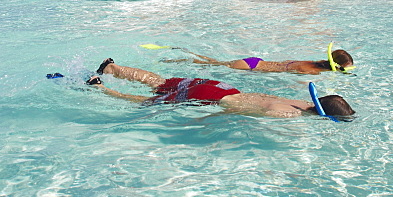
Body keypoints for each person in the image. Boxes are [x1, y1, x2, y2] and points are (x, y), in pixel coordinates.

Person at [87, 58, 355, 120]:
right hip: (215, 100)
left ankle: (114, 68)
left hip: (224, 87)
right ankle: (102, 88)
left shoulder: (298, 100)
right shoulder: (291, 115)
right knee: (148, 102)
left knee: (159, 83)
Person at [166, 43, 354, 75]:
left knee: (213, 61)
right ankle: (179, 59)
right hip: (251, 67)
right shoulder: (310, 71)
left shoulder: (310, 62)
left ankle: (185, 52)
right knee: (206, 63)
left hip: (255, 61)